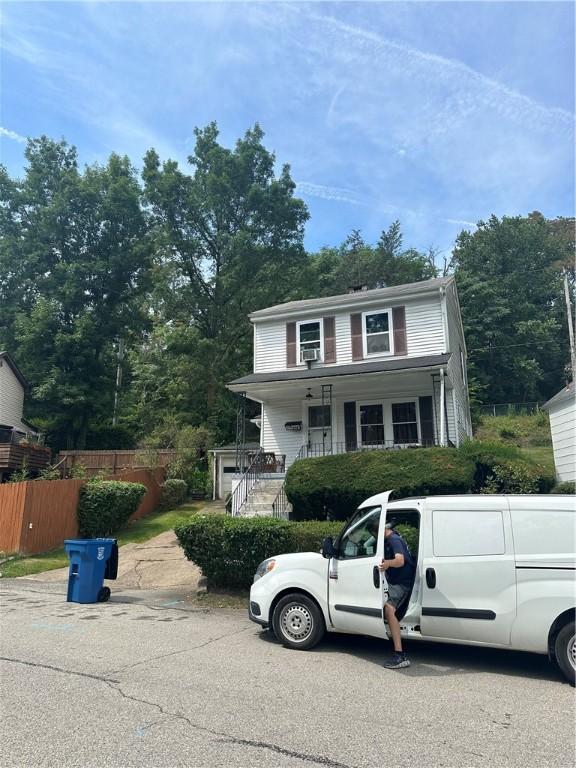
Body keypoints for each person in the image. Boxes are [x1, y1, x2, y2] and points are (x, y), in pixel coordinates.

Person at [378, 522, 415, 669]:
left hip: (401, 584)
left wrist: (387, 563)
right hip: (395, 581)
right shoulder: (394, 538)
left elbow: (400, 561)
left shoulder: (394, 540)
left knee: (389, 609)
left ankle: (399, 655)